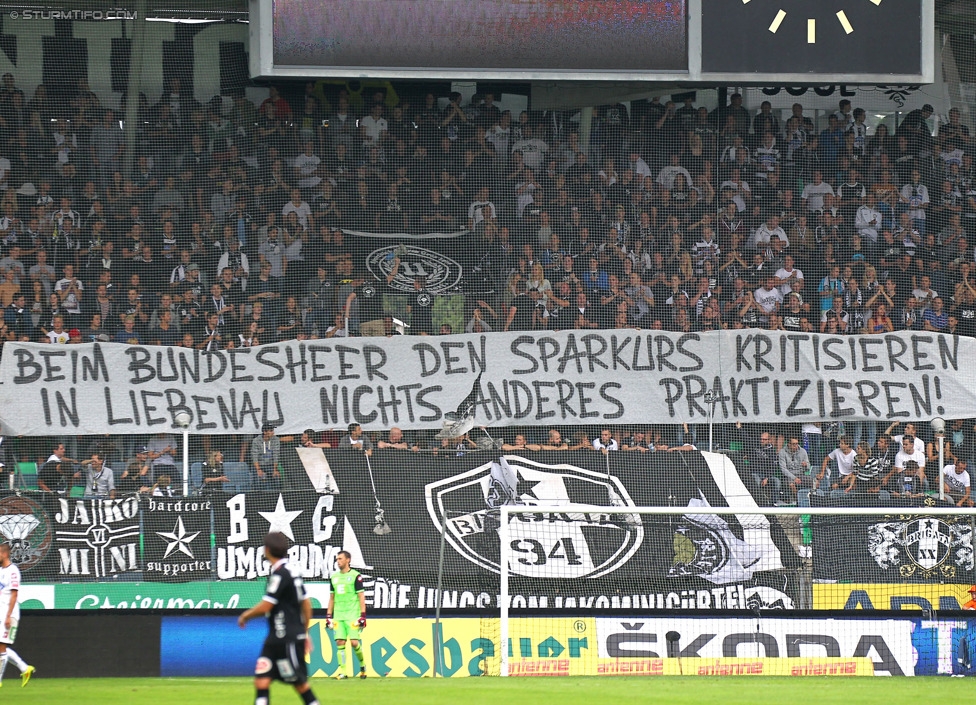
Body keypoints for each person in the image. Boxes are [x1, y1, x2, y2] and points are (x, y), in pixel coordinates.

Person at [237, 532, 321, 705]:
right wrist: (304, 632)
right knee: (262, 680)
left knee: (300, 684)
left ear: (267, 550)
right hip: (275, 639)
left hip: (286, 638)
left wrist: (246, 615)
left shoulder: (280, 574)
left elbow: (267, 605)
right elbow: (306, 603)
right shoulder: (292, 571)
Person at [327, 549, 367, 680]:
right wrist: (328, 616)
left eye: (340, 559)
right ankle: (343, 672)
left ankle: (362, 666)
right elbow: (331, 598)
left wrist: (363, 615)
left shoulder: (356, 576)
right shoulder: (334, 577)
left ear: (348, 560)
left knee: (354, 643)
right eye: (337, 559)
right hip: (338, 615)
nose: (338, 561)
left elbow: (361, 596)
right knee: (339, 642)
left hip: (352, 615)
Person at [0, 542, 35, 687]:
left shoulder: (13, 571)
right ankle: (24, 668)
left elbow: (14, 595)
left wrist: (8, 616)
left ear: (4, 554)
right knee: (1, 648)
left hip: (8, 614)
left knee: (1, 647)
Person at [251, 424, 281, 492]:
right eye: (271, 431)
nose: (273, 432)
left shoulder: (276, 440)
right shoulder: (256, 441)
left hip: (271, 465)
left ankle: (276, 495)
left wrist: (275, 469)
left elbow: (276, 455)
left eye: (272, 430)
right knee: (260, 479)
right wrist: (258, 469)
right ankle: (260, 496)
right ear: (265, 432)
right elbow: (254, 456)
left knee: (277, 478)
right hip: (259, 465)